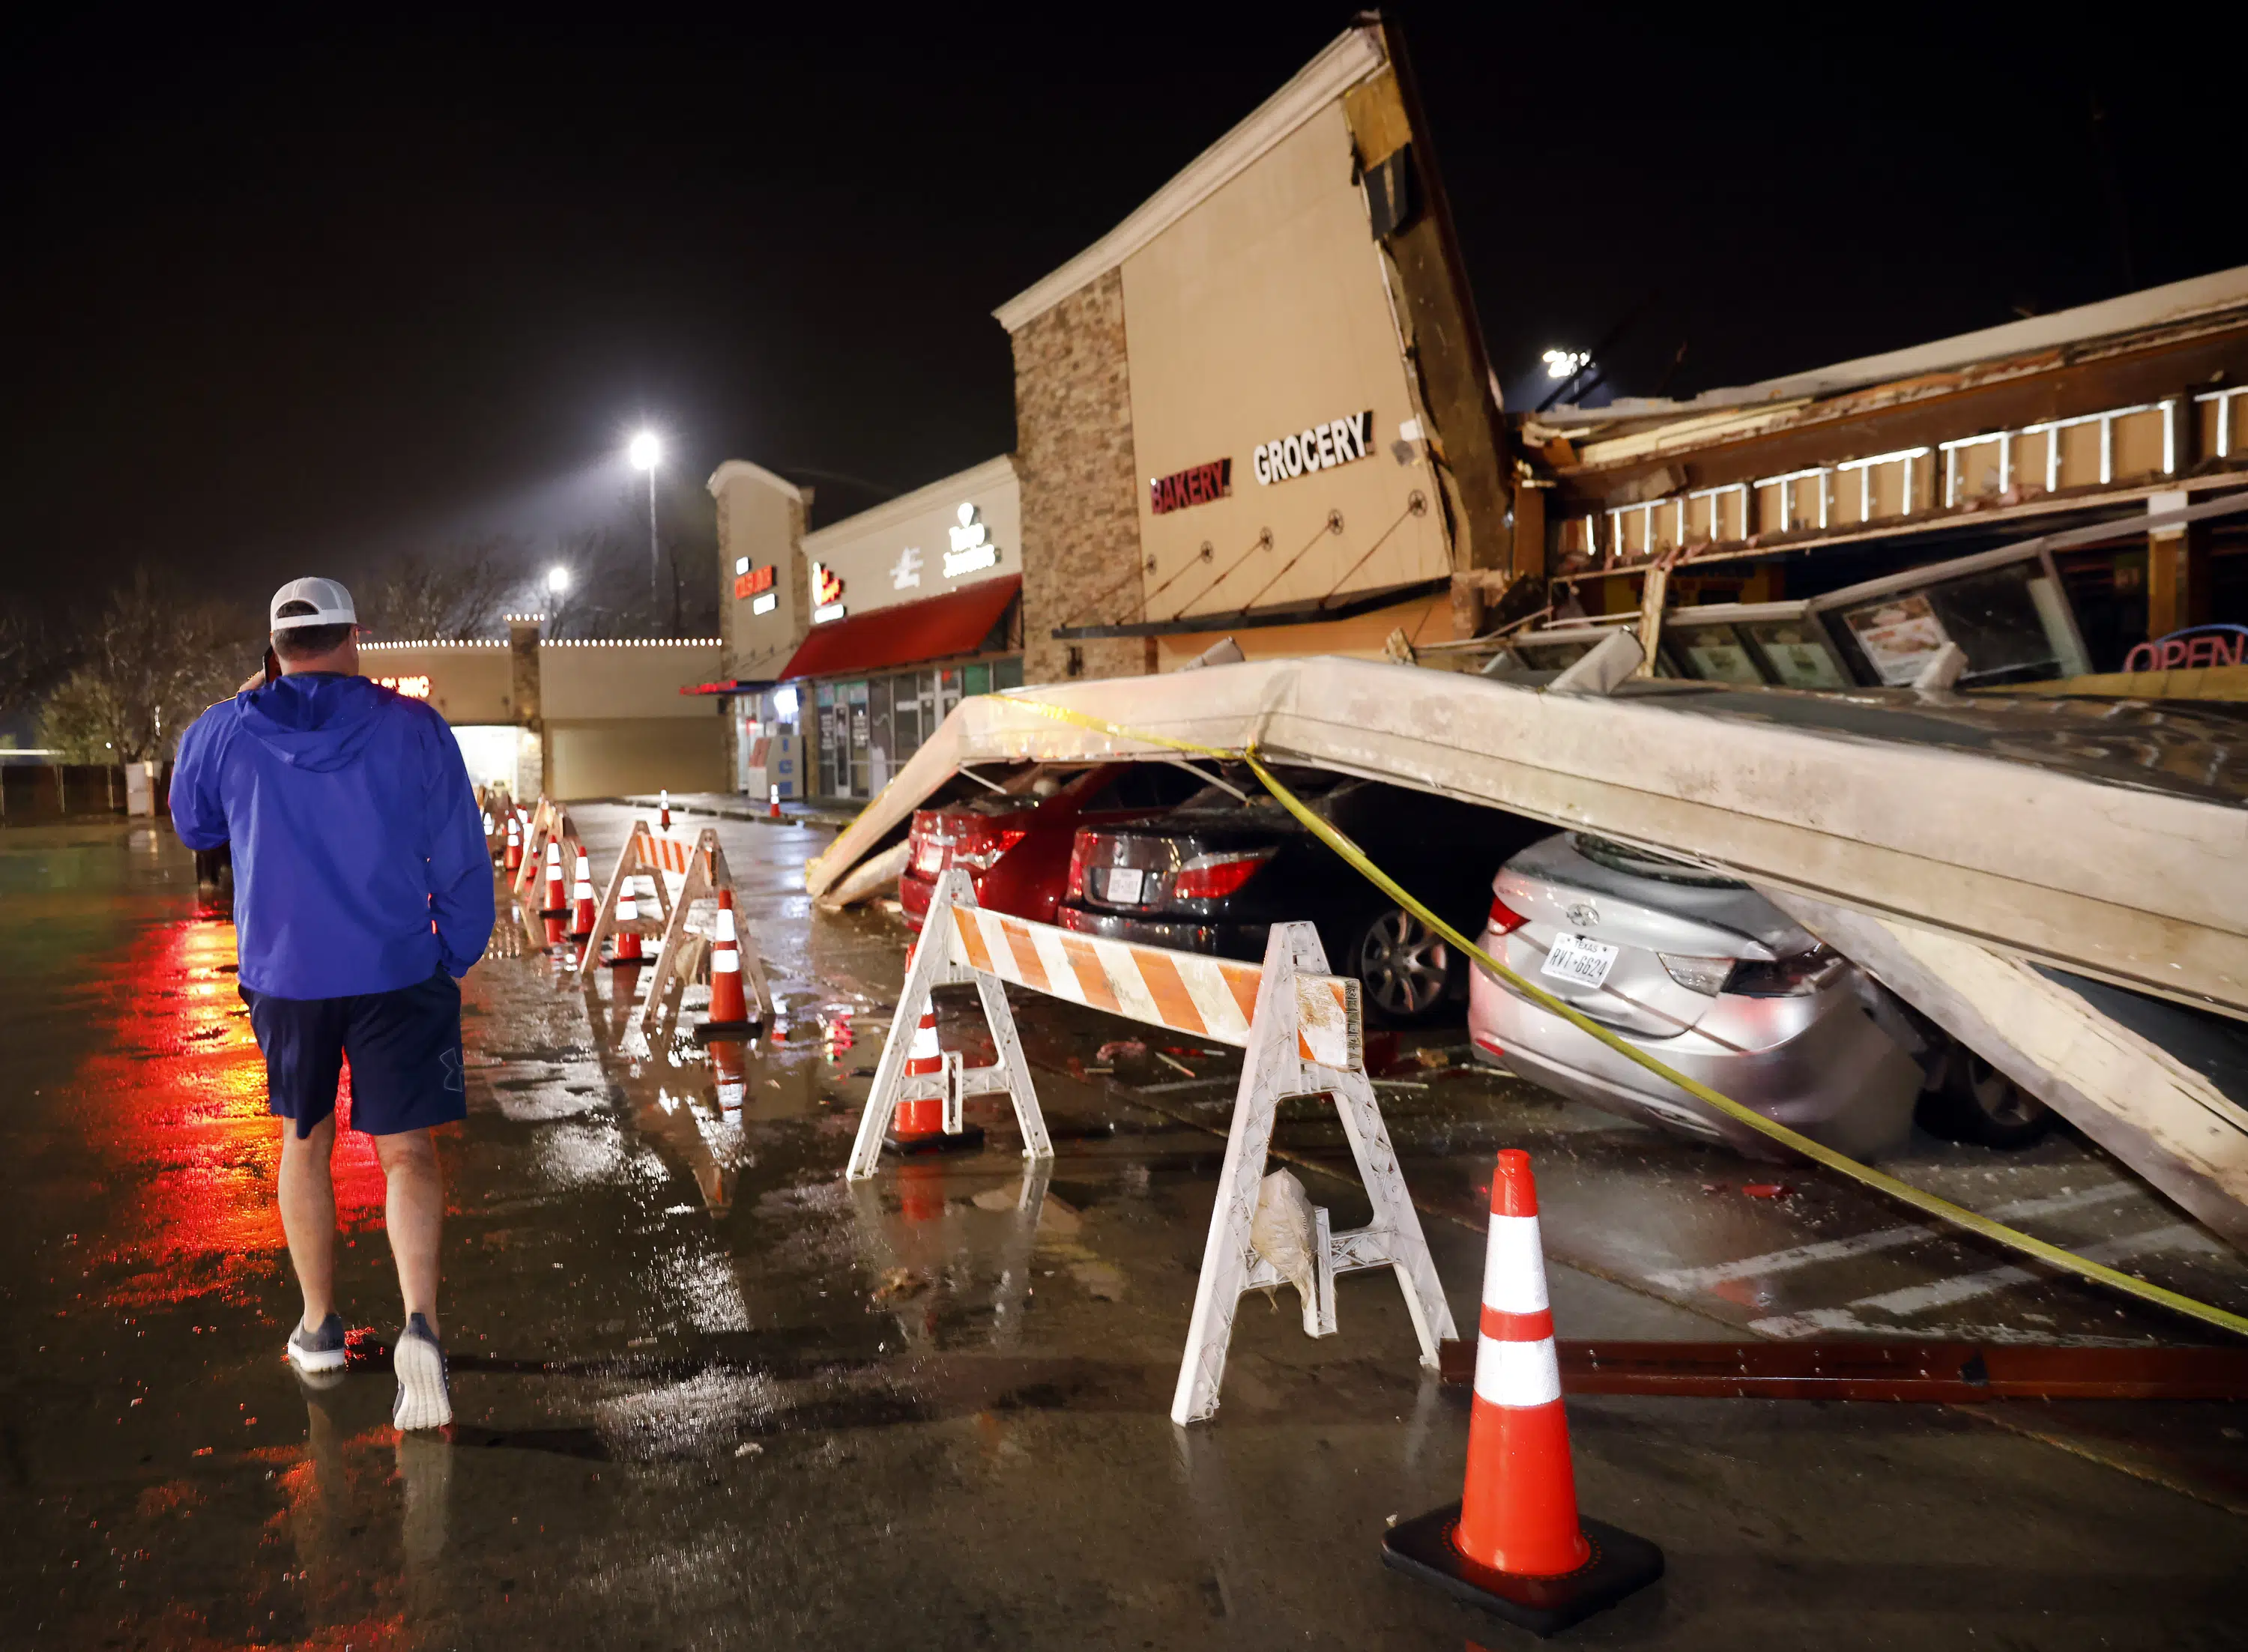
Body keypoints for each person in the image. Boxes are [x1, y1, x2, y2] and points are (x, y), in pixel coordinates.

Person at [169, 577, 495, 1430]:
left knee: (303, 1146)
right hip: (396, 965)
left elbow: (193, 823)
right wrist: (455, 953)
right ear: (357, 638)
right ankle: (418, 1324)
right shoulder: (414, 727)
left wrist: (236, 708)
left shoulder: (227, 729)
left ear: (273, 649)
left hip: (286, 975)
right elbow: (461, 851)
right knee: (407, 1154)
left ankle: (319, 1327)